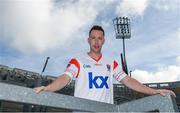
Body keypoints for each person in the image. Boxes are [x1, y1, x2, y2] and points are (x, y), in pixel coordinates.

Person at [34, 25, 176, 104]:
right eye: (93, 38)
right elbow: (65, 78)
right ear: (88, 40)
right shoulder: (77, 60)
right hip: (83, 110)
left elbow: (128, 81)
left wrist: (154, 91)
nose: (96, 42)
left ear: (104, 41)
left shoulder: (111, 62)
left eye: (100, 38)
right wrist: (48, 88)